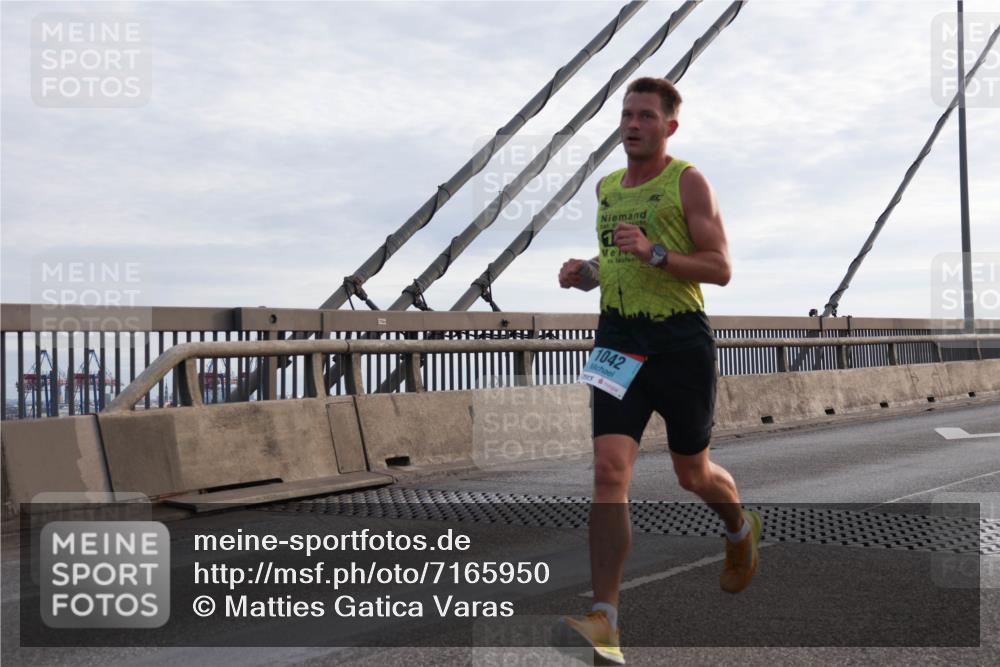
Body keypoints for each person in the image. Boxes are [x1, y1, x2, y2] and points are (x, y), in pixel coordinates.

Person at [559, 77, 761, 665]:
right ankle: (606, 620)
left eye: (646, 115)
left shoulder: (688, 181)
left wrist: (654, 252)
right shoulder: (606, 188)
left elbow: (719, 267)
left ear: (669, 126)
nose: (632, 124)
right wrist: (586, 273)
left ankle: (739, 530)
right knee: (607, 471)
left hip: (679, 344)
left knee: (691, 475)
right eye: (626, 114)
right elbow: (618, 259)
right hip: (618, 339)